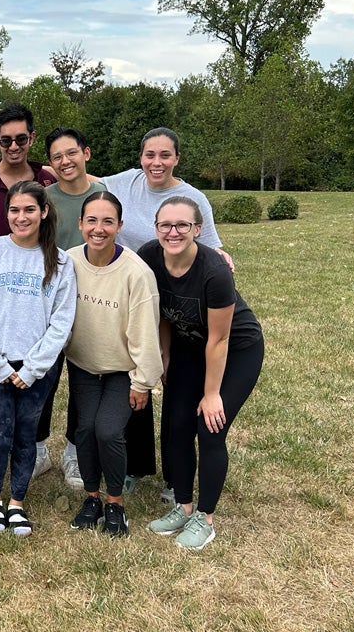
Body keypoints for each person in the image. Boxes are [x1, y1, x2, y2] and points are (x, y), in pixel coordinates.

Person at [102, 127, 227, 502]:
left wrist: (222, 261)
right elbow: (85, 175)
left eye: (165, 155)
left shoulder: (193, 198)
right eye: (149, 155)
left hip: (180, 307)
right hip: (136, 297)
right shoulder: (126, 181)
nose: (156, 162)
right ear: (140, 158)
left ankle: (177, 479)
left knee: (176, 399)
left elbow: (211, 249)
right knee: (136, 375)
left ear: (177, 158)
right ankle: (136, 467)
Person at [140, 196, 264, 551]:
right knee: (177, 423)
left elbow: (220, 338)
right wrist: (164, 354)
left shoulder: (213, 271)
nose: (173, 232)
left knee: (210, 428)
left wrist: (211, 395)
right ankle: (183, 505)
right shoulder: (151, 255)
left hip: (236, 349)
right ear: (157, 228)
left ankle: (205, 518)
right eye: (166, 225)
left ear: (197, 229)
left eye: (183, 225)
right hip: (187, 347)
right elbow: (163, 310)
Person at [0, 181, 76, 536]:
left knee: (26, 437)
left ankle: (17, 505)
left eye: (29, 209)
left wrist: (33, 368)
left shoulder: (59, 261)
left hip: (37, 368)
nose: (21, 217)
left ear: (43, 212)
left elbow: (61, 321)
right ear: (6, 213)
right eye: (14, 210)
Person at [65, 191, 162, 537]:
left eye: (108, 221)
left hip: (123, 370)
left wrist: (143, 381)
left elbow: (145, 332)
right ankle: (92, 497)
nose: (99, 228)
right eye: (91, 220)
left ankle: (115, 503)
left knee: (108, 430)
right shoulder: (70, 262)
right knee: (85, 430)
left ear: (120, 226)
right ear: (80, 224)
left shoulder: (136, 273)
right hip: (83, 365)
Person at [35, 126, 109, 485]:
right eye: (57, 157)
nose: (65, 161)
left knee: (83, 379)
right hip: (47, 302)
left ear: (86, 154)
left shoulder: (103, 194)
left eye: (71, 153)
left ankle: (74, 454)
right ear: (49, 164)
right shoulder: (43, 198)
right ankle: (36, 450)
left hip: (90, 302)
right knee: (43, 377)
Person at [0, 103, 56, 235]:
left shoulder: (48, 180)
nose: (14, 147)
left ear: (31, 138)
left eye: (21, 139)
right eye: (6, 140)